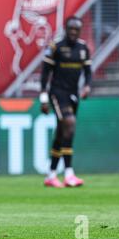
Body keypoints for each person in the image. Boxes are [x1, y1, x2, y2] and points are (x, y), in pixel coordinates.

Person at [39, 16, 91, 188]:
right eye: (71, 29)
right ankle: (69, 173)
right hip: (57, 93)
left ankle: (51, 174)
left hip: (73, 95)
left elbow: (88, 71)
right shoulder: (56, 47)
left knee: (63, 133)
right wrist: (44, 98)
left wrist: (87, 87)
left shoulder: (83, 48)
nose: (74, 32)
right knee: (69, 123)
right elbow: (45, 73)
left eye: (77, 29)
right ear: (66, 29)